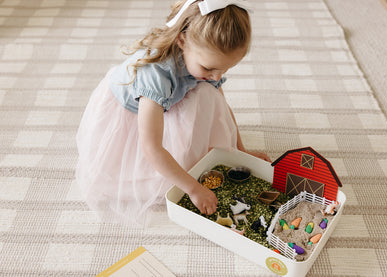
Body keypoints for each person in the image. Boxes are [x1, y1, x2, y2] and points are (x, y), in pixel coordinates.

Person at [75, 0, 271, 224]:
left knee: (208, 92)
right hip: (132, 117)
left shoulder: (204, 65)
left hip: (169, 97)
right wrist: (193, 188)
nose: (217, 77)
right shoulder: (155, 77)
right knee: (163, 177)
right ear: (181, 40)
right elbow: (152, 148)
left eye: (224, 69)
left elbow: (222, 108)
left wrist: (240, 151)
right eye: (209, 68)